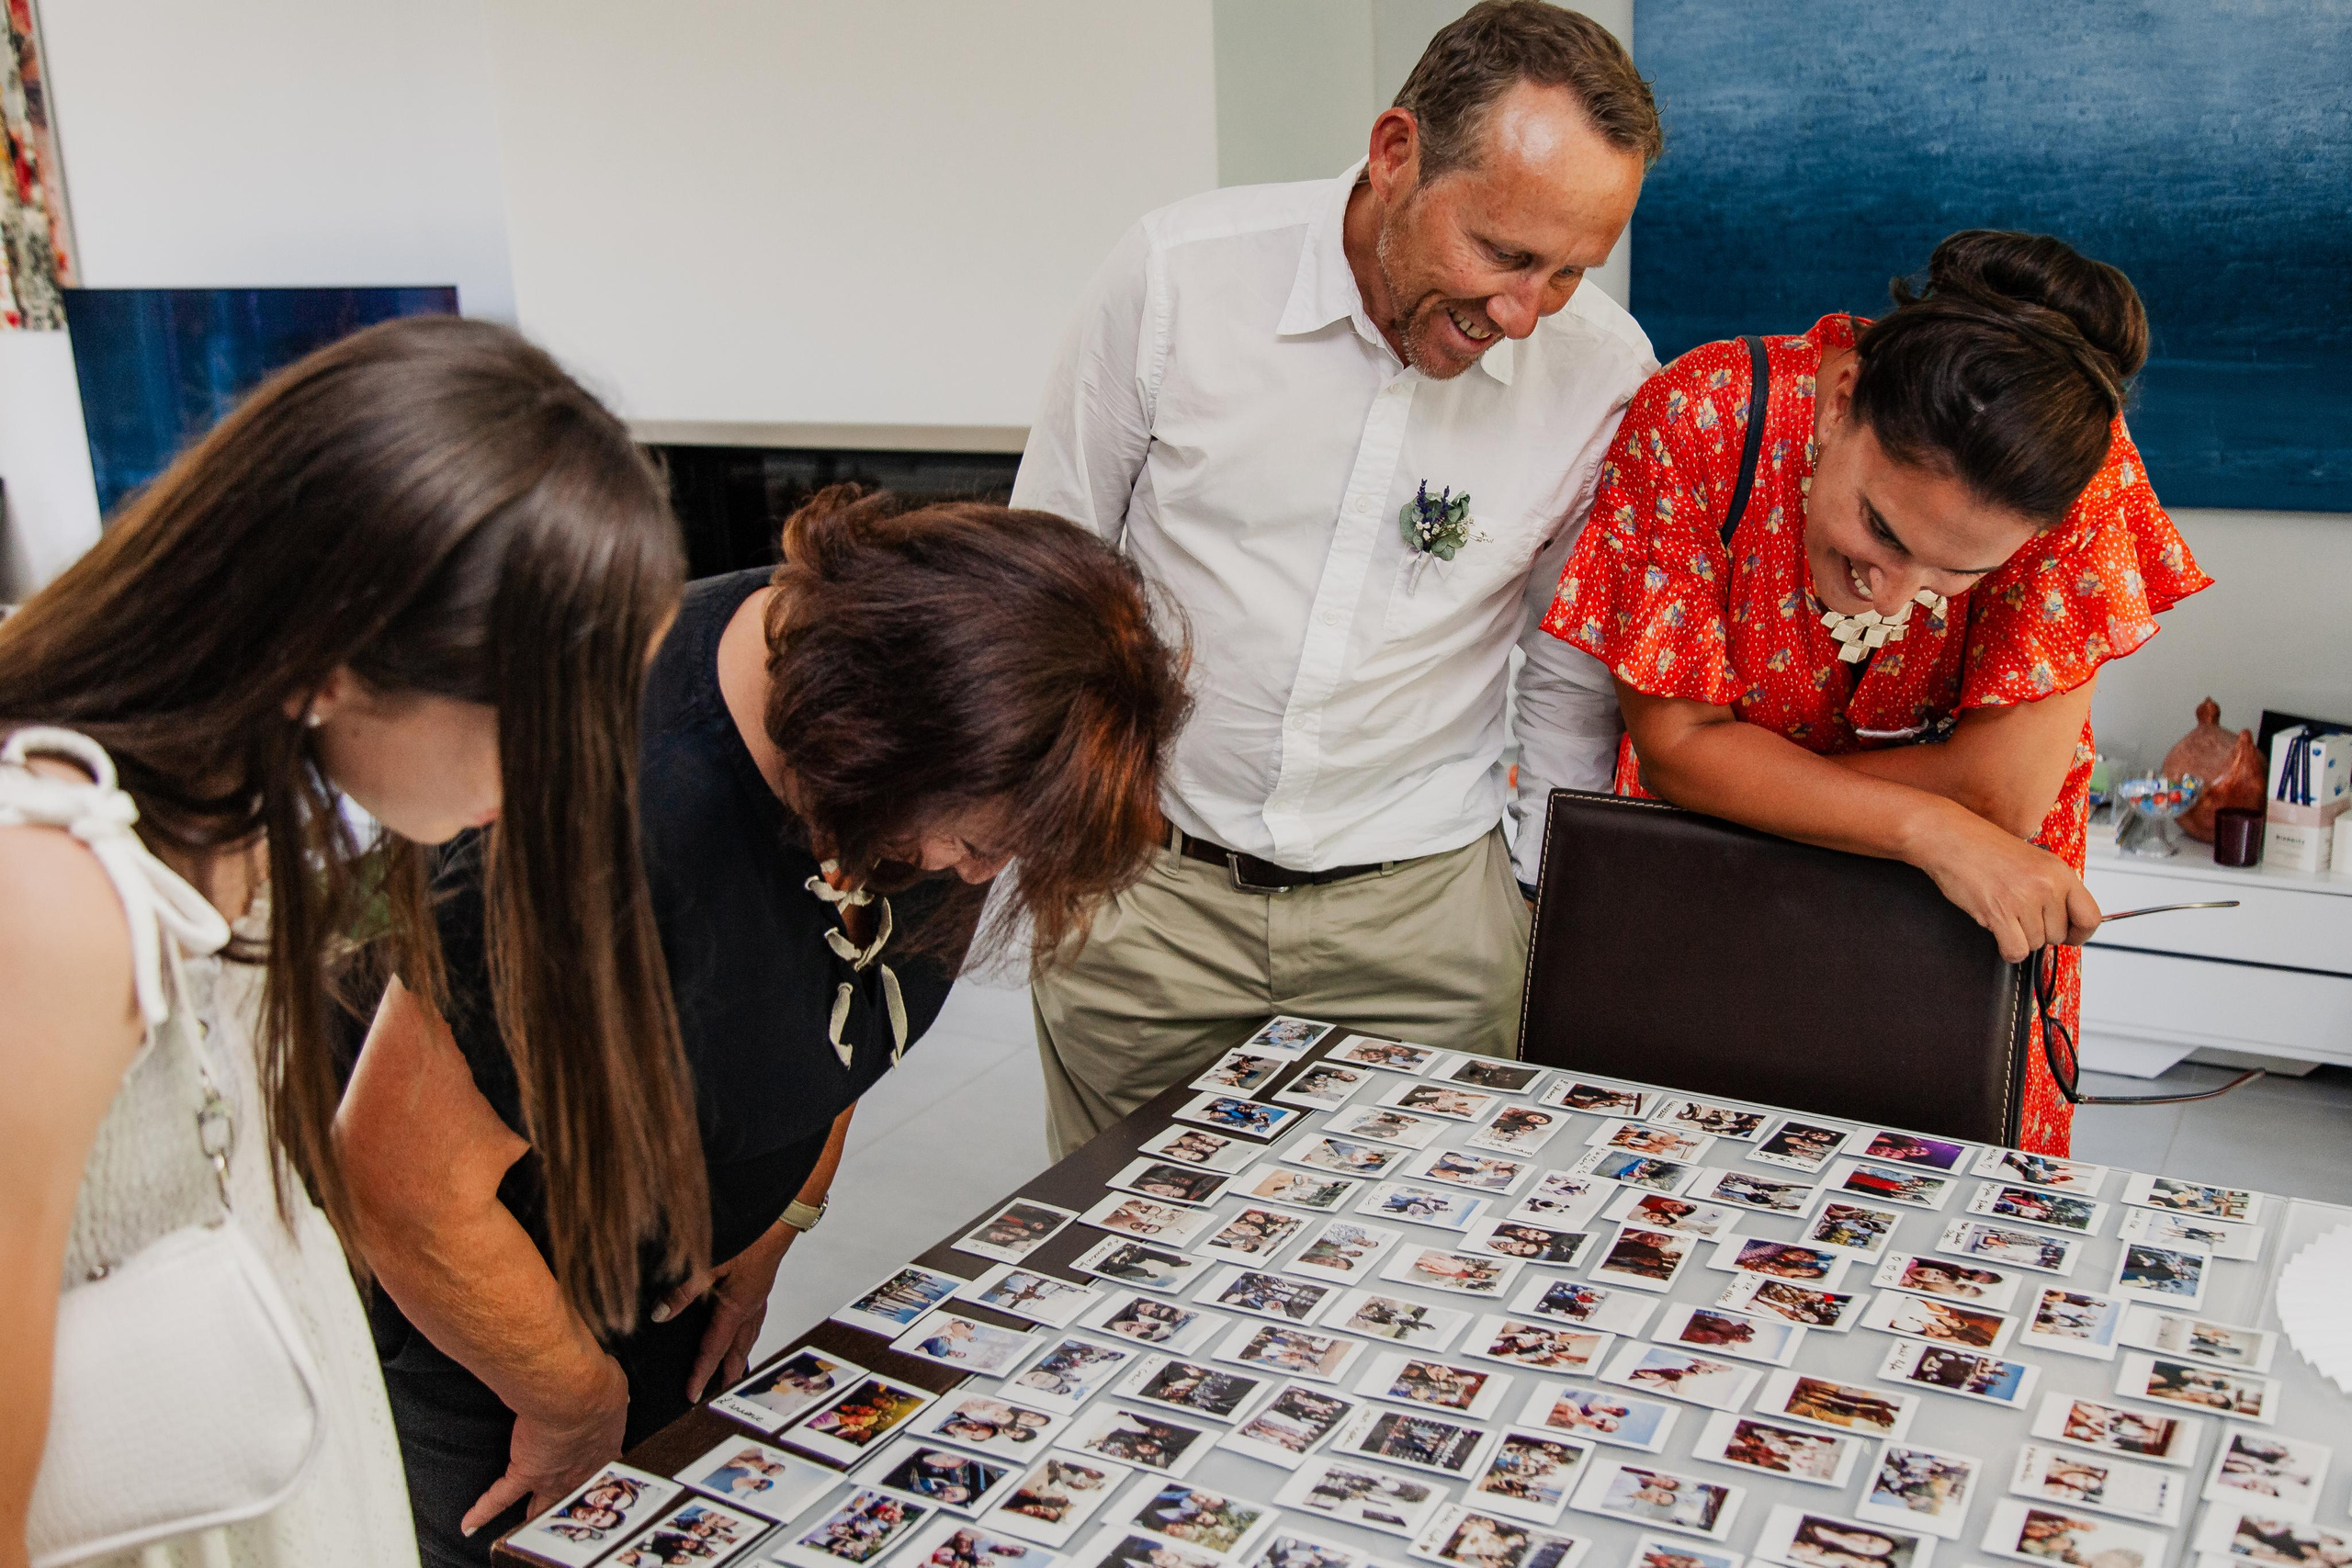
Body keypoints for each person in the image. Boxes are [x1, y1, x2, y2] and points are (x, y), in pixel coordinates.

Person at [336, 486, 1186, 1566]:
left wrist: (784, 1216)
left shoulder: (942, 729)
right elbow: (404, 1186)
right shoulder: (609, 827)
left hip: (680, 1258)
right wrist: (574, 1404)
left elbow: (849, 1004)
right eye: (977, 845)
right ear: (880, 746)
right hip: (489, 1315)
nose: (978, 875)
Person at [0, 317, 689, 1566]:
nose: (560, 785)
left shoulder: (243, 811)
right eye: (535, 721)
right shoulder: (52, 886)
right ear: (330, 656)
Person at [1013, 0, 1664, 1156]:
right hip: (1148, 898)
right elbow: (1047, 573)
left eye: (1567, 273)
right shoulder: (1177, 279)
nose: (1522, 314)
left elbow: (1563, 671)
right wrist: (1059, 850)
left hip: (1425, 925)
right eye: (1504, 253)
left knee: (1418, 1273)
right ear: (1395, 153)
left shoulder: (1605, 370)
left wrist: (1528, 897)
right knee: (1120, 1260)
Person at [1544, 230, 2211, 1156]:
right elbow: (1676, 744)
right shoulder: (1702, 414)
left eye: (1957, 573)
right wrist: (1928, 826)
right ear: (1843, 398)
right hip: (1711, 902)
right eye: (1882, 529)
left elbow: (2000, 795)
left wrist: (1747, 770)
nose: (1891, 593)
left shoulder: (2078, 482)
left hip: (1951, 932)